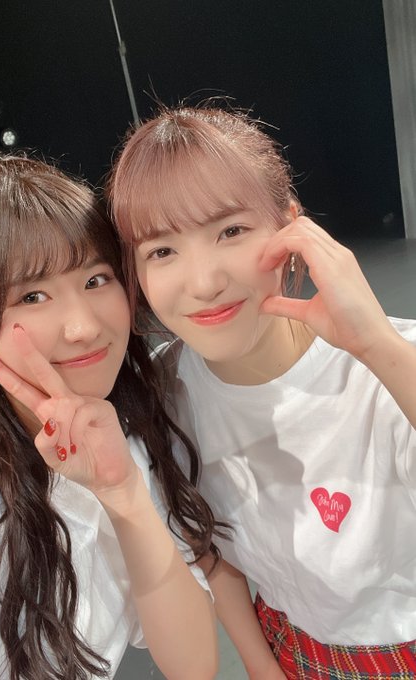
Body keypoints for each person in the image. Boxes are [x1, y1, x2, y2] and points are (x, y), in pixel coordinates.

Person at [108, 104, 416, 679]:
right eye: (162, 250)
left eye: (231, 231)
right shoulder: (165, 391)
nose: (204, 283)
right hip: (289, 648)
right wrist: (262, 667)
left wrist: (377, 346)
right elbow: (207, 542)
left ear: (292, 227)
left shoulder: (389, 366)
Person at [0, 150, 222, 680]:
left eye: (96, 279)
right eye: (32, 296)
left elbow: (194, 664)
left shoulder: (121, 441)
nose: (84, 327)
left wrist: (123, 494)